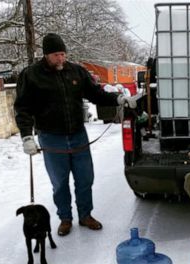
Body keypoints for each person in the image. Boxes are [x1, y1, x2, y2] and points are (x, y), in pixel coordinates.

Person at [14, 33, 135, 236]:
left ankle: (85, 215)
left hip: (78, 135)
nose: (61, 59)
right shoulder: (31, 75)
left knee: (85, 178)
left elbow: (95, 93)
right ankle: (65, 218)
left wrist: (117, 99)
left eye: (63, 54)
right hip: (51, 137)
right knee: (60, 182)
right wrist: (27, 136)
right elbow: (22, 108)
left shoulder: (76, 71)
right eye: (56, 55)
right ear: (46, 55)